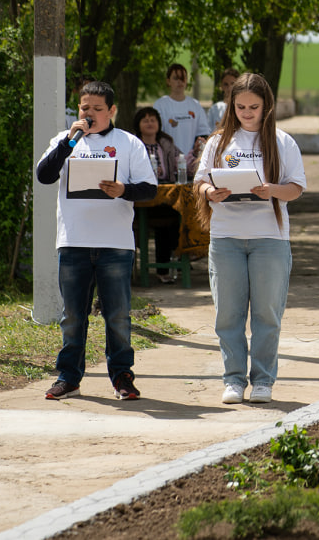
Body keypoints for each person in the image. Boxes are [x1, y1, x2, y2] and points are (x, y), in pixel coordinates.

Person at [35, 80, 157, 400]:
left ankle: (122, 377)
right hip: (73, 242)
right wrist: (67, 143)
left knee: (117, 315)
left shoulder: (129, 143)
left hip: (115, 244)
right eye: (84, 107)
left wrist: (123, 190)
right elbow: (44, 175)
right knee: (73, 316)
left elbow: (149, 189)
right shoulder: (65, 140)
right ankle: (69, 377)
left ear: (111, 110)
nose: (89, 114)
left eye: (97, 109)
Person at [194, 72, 306, 405]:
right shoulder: (218, 142)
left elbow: (296, 188)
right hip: (226, 238)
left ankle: (262, 381)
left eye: (253, 107)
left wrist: (272, 190)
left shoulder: (283, 142)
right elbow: (200, 182)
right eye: (240, 107)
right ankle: (233, 379)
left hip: (269, 239)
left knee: (266, 314)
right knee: (228, 314)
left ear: (266, 106)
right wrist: (210, 192)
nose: (246, 113)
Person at [132, 106, 184, 282]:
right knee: (156, 223)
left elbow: (181, 161)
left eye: (153, 120)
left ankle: (171, 264)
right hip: (140, 199)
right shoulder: (133, 144)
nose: (149, 123)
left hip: (164, 196)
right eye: (145, 120)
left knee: (175, 218)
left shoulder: (166, 143)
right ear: (138, 124)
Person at [153, 63, 211, 160]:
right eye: (176, 78)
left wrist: (196, 151)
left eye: (182, 78)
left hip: (191, 160)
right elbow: (156, 134)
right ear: (168, 81)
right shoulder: (160, 105)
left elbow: (203, 133)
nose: (180, 82)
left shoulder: (195, 105)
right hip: (168, 160)